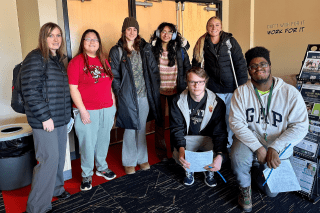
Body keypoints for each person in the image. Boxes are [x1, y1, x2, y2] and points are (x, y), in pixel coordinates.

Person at [229, 46, 308, 212]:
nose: (259, 68)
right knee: (237, 157)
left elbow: (301, 126)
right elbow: (236, 123)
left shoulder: (290, 93)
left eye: (263, 64)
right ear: (249, 71)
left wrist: (274, 147)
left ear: (270, 66)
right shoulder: (241, 93)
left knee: (272, 193)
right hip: (250, 139)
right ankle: (245, 188)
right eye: (253, 66)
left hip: (277, 143)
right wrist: (258, 147)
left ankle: (258, 170)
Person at [21, 22, 72, 213]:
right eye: (51, 35)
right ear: (43, 37)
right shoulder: (36, 57)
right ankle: (37, 207)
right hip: (45, 121)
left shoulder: (57, 59)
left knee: (58, 158)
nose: (56, 39)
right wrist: (44, 117)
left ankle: (57, 188)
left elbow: (60, 91)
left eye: (58, 35)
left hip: (59, 119)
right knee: (48, 160)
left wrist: (67, 117)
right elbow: (30, 91)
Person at [109, 17, 162, 175]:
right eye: (128, 29)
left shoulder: (145, 48)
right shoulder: (117, 50)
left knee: (141, 128)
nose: (132, 32)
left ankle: (142, 158)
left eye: (134, 29)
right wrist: (120, 94)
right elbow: (115, 76)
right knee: (130, 129)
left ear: (137, 32)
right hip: (128, 97)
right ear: (124, 31)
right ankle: (129, 161)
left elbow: (153, 70)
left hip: (144, 95)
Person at [67, 29, 117, 191]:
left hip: (106, 109)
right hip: (87, 111)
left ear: (99, 43)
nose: (92, 42)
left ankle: (102, 167)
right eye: (88, 39)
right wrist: (82, 110)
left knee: (103, 140)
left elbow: (109, 85)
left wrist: (113, 106)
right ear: (82, 42)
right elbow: (73, 89)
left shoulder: (104, 61)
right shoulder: (76, 62)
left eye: (95, 39)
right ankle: (86, 174)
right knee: (87, 144)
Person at [192, 16, 247, 148]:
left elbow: (240, 64)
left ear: (221, 27)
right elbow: (196, 65)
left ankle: (228, 145)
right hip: (213, 88)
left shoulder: (230, 42)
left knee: (230, 117)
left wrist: (242, 86)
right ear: (207, 27)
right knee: (214, 117)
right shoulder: (202, 43)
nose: (214, 28)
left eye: (217, 25)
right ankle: (216, 144)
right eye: (211, 25)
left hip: (231, 88)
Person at [170, 67, 228, 187]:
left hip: (208, 139)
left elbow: (220, 132)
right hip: (188, 138)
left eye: (200, 82)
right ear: (187, 82)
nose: (197, 85)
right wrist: (181, 150)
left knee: (220, 155)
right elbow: (177, 129)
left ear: (205, 81)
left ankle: (208, 170)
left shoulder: (217, 102)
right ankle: (189, 170)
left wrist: (219, 154)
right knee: (177, 155)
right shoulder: (177, 100)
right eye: (192, 82)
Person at [150, 22, 191, 161]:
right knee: (159, 122)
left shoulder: (180, 50)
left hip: (176, 91)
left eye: (169, 32)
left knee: (176, 122)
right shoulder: (152, 49)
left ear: (173, 35)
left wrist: (186, 87)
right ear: (158, 33)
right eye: (163, 31)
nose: (166, 34)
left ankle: (176, 151)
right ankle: (161, 153)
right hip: (158, 92)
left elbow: (187, 68)